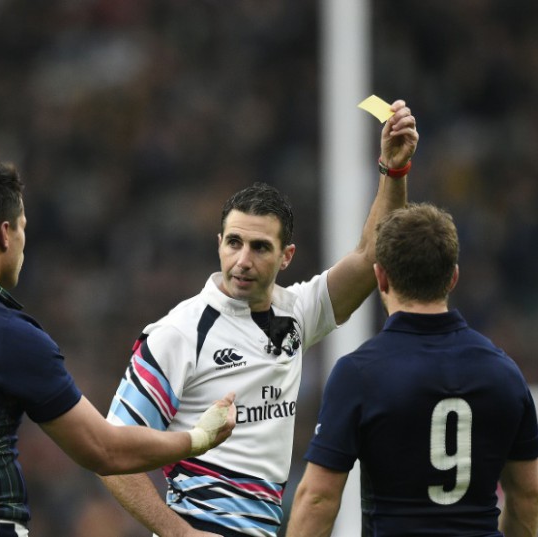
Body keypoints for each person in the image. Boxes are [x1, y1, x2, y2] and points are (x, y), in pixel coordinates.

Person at [0, 161, 237, 537]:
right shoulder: (6, 332)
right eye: (22, 229)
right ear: (4, 233)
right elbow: (102, 449)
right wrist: (197, 438)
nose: (22, 243)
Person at [99, 99, 419, 537]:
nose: (243, 260)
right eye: (234, 243)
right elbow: (110, 456)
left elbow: (369, 258)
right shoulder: (180, 333)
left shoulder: (297, 312)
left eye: (260, 247)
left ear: (287, 256)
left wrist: (393, 170)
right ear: (218, 244)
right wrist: (181, 535)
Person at [286, 203, 538, 537]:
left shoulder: (359, 374)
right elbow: (527, 496)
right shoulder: (505, 373)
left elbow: (318, 498)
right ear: (452, 278)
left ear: (380, 277)